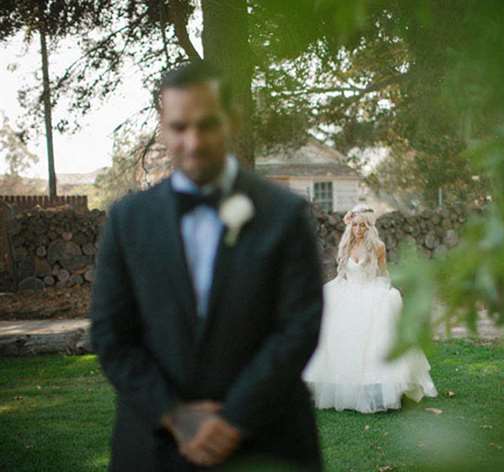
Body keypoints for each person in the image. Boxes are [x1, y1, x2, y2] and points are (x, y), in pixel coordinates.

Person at [90, 61, 324, 471]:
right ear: (163, 126)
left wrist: (234, 419)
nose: (193, 142)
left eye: (207, 125)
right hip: (153, 447)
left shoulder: (285, 215)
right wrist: (175, 416)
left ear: (232, 120)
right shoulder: (127, 220)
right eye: (180, 127)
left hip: (268, 442)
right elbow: (111, 335)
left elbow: (299, 327)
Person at [303, 205, 437, 413]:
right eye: (355, 225)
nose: (358, 229)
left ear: (369, 226)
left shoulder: (378, 246)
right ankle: (347, 388)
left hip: (370, 290)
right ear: (350, 226)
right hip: (348, 291)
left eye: (362, 225)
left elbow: (383, 273)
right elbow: (343, 274)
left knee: (375, 341)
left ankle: (381, 390)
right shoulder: (346, 245)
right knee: (344, 341)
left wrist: (387, 291)